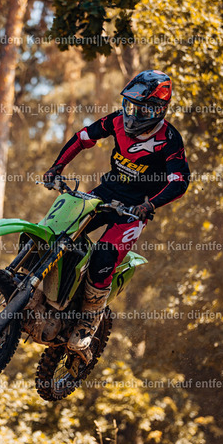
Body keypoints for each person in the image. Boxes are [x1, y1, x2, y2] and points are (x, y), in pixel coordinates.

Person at [43, 69, 190, 363]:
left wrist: (150, 206)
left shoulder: (170, 139)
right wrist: (57, 166)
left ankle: (87, 324)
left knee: (103, 258)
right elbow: (83, 137)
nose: (133, 114)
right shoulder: (116, 121)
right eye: (130, 105)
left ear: (158, 109)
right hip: (104, 193)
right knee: (58, 229)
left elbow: (179, 181)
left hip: (134, 210)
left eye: (142, 108)